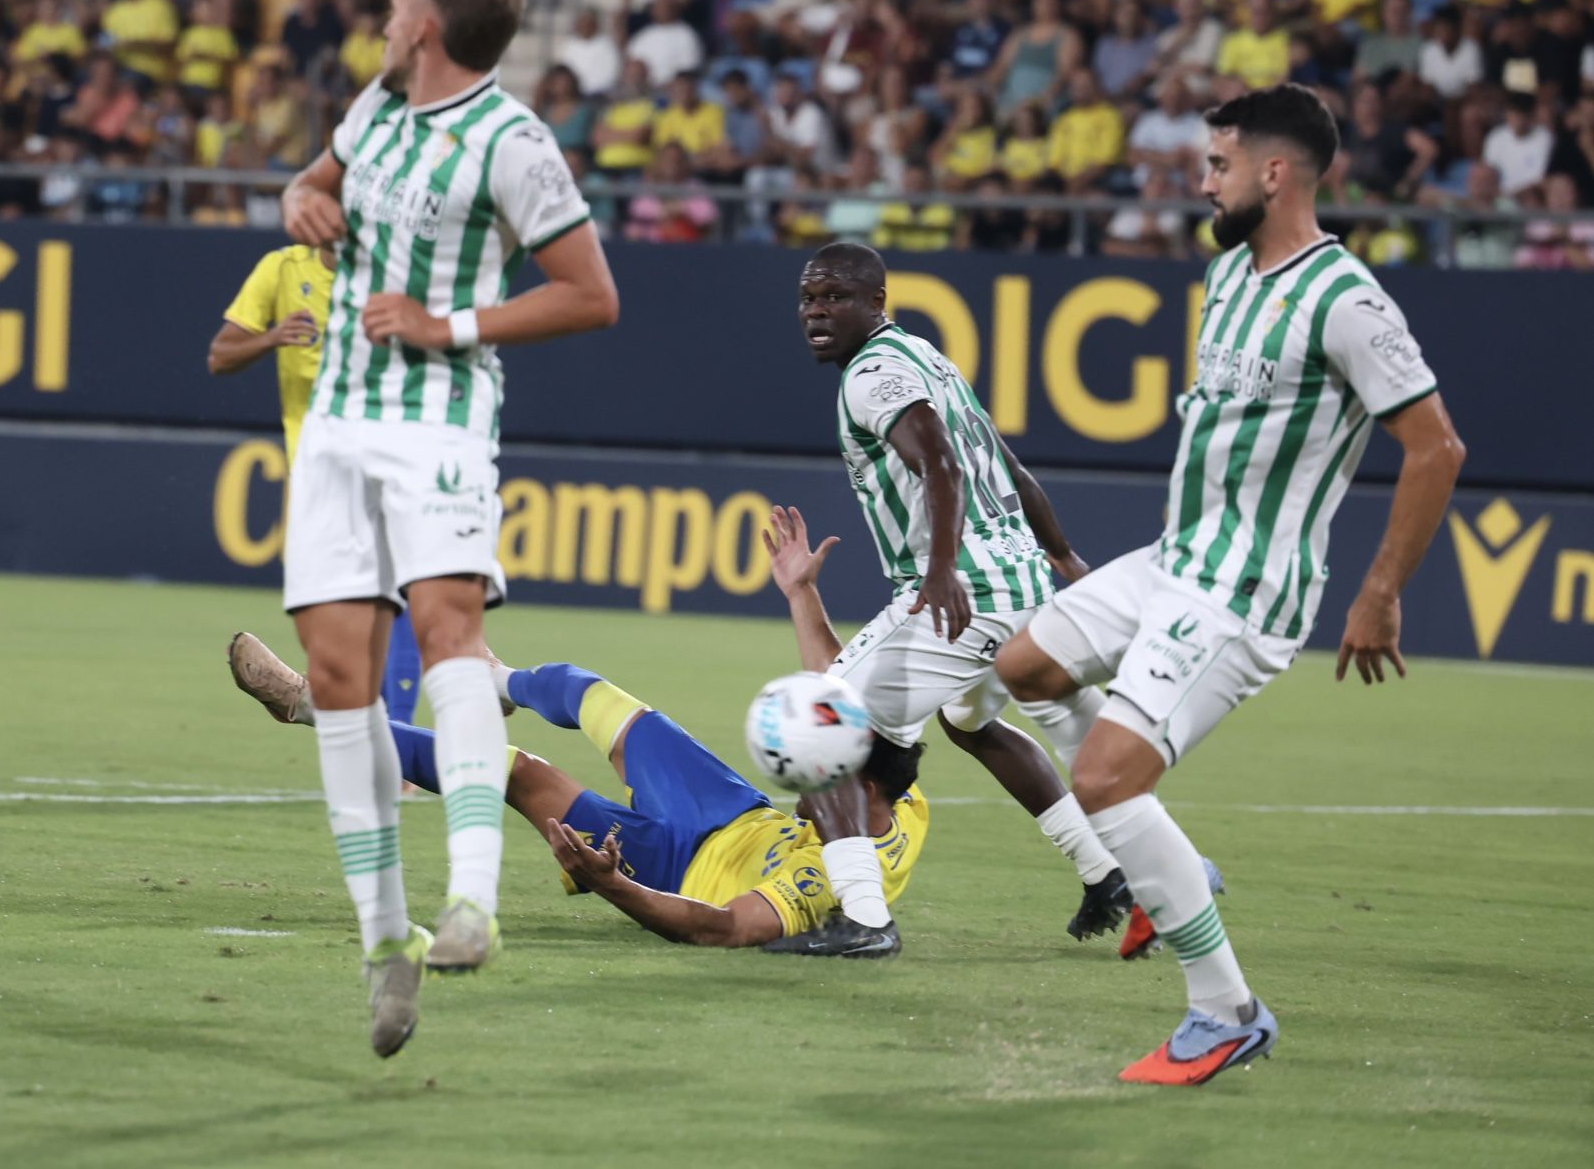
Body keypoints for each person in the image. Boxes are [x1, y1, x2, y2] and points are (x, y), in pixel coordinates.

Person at [992, 84, 1465, 1085]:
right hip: (1178, 558)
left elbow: (1434, 448)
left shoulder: (1345, 300)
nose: (1200, 181)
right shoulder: (1233, 275)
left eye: (1216, 165)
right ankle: (1164, 867)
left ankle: (1227, 1008)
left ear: (1273, 172)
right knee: (1022, 666)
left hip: (1245, 589)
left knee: (1106, 780)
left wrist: (1379, 591)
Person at [276, 0, 618, 1058]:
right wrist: (301, 199)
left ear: (426, 21)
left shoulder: (512, 143)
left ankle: (475, 897)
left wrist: (445, 323)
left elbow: (589, 293)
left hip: (439, 417)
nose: (382, 13)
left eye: (394, 1)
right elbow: (317, 185)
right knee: (338, 676)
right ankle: (388, 941)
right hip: (336, 418)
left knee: (448, 629)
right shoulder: (375, 105)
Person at [762, 242, 1131, 959]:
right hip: (1019, 587)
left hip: (964, 592)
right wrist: (1060, 555)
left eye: (834, 297)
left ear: (876, 302)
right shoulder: (925, 358)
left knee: (814, 728)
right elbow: (1007, 463)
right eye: (808, 298)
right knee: (968, 718)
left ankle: (865, 922)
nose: (815, 311)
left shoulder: (871, 375)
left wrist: (937, 572)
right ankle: (1104, 872)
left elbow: (939, 459)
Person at [226, 633, 928, 947]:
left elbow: (722, 928)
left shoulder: (829, 883)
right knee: (587, 689)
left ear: (854, 782)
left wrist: (613, 886)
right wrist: (800, 593)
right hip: (725, 808)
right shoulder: (901, 795)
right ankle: (498, 680)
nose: (800, 776)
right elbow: (837, 698)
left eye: (813, 771)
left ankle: (311, 706)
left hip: (671, 870)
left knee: (514, 771)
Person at [207, 237, 426, 745]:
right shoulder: (282, 270)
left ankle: (398, 741)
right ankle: (374, 730)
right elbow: (221, 356)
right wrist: (273, 337)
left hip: (387, 456)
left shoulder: (391, 273)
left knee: (396, 593)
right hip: (317, 471)